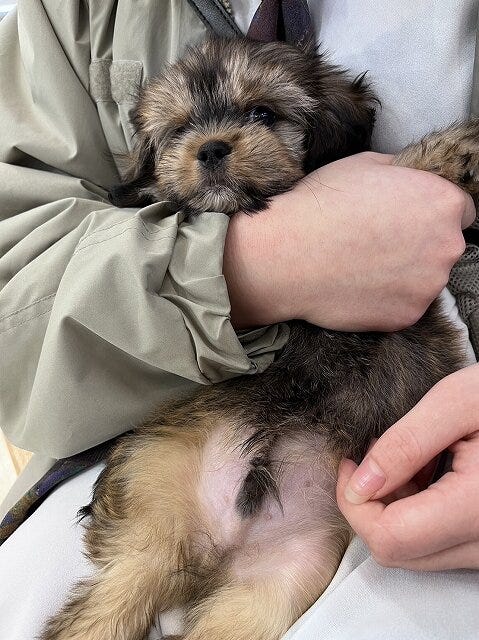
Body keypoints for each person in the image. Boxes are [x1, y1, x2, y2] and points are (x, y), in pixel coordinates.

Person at [0, 1, 478, 639]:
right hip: (187, 436)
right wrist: (255, 265)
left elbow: (453, 165)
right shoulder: (71, 17)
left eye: (261, 116)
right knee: (121, 592)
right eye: (178, 132)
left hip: (365, 483)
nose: (212, 144)